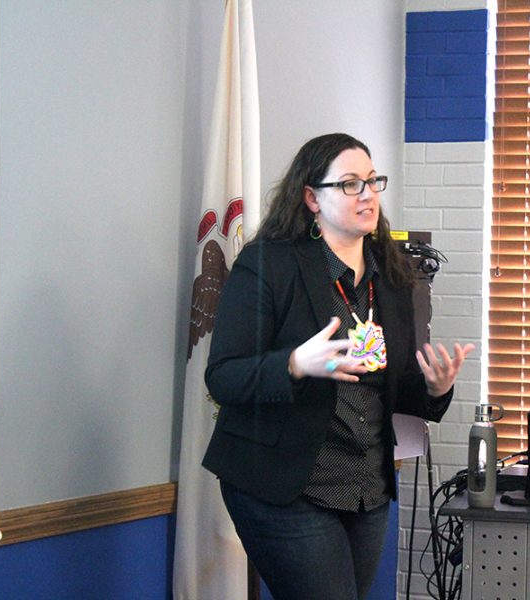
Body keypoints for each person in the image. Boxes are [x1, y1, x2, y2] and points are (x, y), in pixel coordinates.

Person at [202, 132, 474, 600]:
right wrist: (293, 363)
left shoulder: (390, 274)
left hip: (365, 484)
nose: (368, 194)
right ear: (312, 197)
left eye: (372, 181)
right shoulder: (269, 265)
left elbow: (391, 385)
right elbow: (223, 376)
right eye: (350, 184)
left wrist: (434, 387)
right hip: (284, 483)